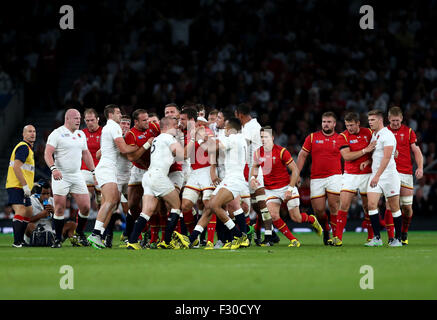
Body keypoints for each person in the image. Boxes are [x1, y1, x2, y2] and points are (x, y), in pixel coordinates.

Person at [173, 118, 249, 250]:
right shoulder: (239, 139)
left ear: (229, 129)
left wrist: (200, 138)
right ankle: (191, 239)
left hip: (234, 180)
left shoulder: (234, 139)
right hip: (229, 179)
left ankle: (238, 235)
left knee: (214, 205)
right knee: (209, 208)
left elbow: (210, 149)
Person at [250, 127, 323, 247]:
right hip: (270, 189)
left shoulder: (282, 151)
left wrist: (290, 189)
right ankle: (293, 240)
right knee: (273, 215)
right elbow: (255, 166)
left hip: (286, 187)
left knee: (296, 218)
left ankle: (312, 220)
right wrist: (253, 178)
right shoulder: (258, 152)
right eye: (262, 137)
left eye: (266, 137)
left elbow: (295, 170)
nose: (263, 139)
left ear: (272, 138)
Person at [126, 116, 186, 250]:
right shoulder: (168, 138)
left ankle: (132, 241)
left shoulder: (158, 138)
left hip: (148, 176)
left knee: (147, 211)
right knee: (176, 206)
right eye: (174, 125)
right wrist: (193, 139)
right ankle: (167, 241)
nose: (176, 127)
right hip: (158, 176)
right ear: (167, 126)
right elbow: (182, 155)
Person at [87, 105, 138, 249]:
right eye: (118, 112)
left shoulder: (107, 128)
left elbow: (103, 151)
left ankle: (100, 233)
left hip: (108, 169)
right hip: (107, 168)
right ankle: (96, 233)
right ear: (110, 114)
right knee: (110, 201)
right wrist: (142, 146)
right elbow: (123, 149)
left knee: (112, 202)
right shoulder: (114, 127)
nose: (120, 115)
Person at [44, 109, 95, 248]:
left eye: (80, 118)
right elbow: (47, 153)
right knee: (59, 208)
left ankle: (79, 233)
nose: (79, 120)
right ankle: (58, 238)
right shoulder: (57, 133)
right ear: (67, 119)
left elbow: (86, 154)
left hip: (76, 175)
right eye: (76, 118)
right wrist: (53, 169)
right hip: (61, 175)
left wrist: (93, 172)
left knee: (85, 207)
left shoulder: (81, 134)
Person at [297, 111, 342, 245]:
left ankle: (336, 237)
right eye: (324, 122)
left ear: (334, 124)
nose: (326, 124)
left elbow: (348, 156)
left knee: (334, 206)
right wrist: (297, 173)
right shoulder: (312, 137)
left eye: (329, 122)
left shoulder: (340, 138)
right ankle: (326, 229)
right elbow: (302, 156)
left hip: (335, 176)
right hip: (316, 178)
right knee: (319, 210)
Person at [235, 103, 274, 244]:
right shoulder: (248, 126)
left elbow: (242, 146)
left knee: (261, 204)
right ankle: (268, 233)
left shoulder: (252, 127)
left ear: (240, 114)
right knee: (255, 206)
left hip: (255, 170)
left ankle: (269, 236)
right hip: (248, 170)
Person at [336, 112, 376, 245]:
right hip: (350, 175)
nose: (349, 128)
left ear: (358, 123)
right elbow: (346, 156)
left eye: (352, 125)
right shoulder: (343, 136)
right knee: (344, 205)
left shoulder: (369, 132)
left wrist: (369, 161)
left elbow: (377, 152)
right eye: (347, 125)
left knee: (367, 207)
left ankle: (371, 237)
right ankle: (338, 238)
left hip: (367, 174)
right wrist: (365, 150)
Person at [365, 109, 403, 247]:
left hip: (389, 176)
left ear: (380, 120)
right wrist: (367, 162)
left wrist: (377, 176)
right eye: (369, 120)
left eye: (372, 120)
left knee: (394, 207)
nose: (370, 122)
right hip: (377, 175)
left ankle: (398, 239)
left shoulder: (388, 135)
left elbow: (387, 157)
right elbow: (377, 155)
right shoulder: (375, 135)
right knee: (371, 204)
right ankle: (377, 238)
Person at [387, 106, 424, 245]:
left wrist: (420, 167)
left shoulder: (408, 131)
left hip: (406, 173)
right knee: (390, 206)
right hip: (390, 173)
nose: (395, 123)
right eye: (393, 120)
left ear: (402, 119)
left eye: (397, 120)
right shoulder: (384, 132)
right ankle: (392, 238)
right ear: (388, 119)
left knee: (407, 208)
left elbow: (416, 151)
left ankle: (404, 232)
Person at [121, 109, 158, 242]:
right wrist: (148, 143)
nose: (147, 122)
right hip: (138, 170)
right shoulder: (131, 134)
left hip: (155, 169)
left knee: (156, 204)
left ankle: (153, 233)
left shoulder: (154, 127)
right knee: (132, 204)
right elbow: (133, 157)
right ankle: (144, 228)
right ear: (136, 122)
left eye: (148, 119)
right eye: (144, 120)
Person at [6, 125, 36, 247]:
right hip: (17, 185)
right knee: (21, 210)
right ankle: (17, 242)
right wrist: (25, 185)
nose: (32, 133)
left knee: (28, 211)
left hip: (21, 185)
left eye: (34, 131)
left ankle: (21, 240)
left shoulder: (27, 148)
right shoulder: (23, 147)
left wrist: (31, 184)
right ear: (23, 134)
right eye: (29, 131)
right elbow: (17, 166)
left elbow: (24, 169)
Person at [25, 181, 77, 245]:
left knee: (72, 225)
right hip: (35, 232)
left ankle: (75, 241)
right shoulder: (30, 201)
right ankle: (40, 240)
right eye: (43, 194)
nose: (46, 196)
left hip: (51, 232)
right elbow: (25, 221)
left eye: (48, 194)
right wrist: (40, 216)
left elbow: (60, 223)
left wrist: (55, 213)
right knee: (29, 226)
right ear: (37, 193)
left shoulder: (53, 200)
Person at [80, 108, 103, 209]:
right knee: (84, 202)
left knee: (102, 203)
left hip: (101, 170)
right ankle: (80, 224)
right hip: (85, 170)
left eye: (92, 120)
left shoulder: (104, 132)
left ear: (97, 119)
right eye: (87, 121)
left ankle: (101, 224)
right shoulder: (81, 134)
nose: (90, 123)